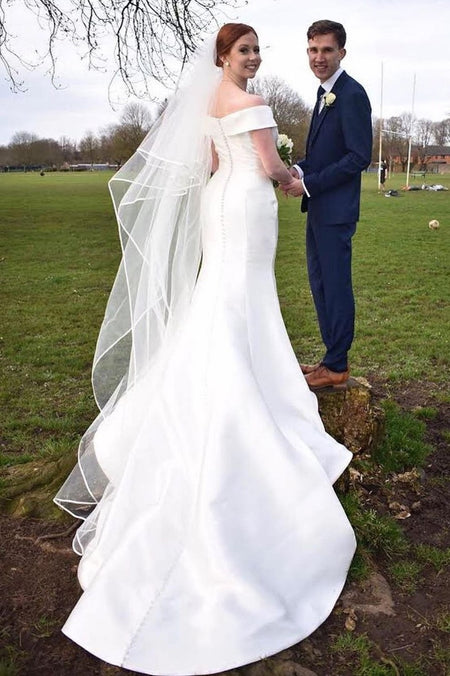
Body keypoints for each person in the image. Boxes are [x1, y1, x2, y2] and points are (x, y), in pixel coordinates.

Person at [55, 23, 356, 675]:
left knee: (220, 298)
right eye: (245, 50)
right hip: (249, 207)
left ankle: (229, 380)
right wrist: (290, 175)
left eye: (256, 51)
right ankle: (252, 393)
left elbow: (212, 164)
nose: (253, 58)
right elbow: (271, 167)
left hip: (219, 204)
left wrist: (252, 166)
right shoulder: (254, 106)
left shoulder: (208, 103)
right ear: (224, 56)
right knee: (241, 298)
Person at [285, 20, 372, 390]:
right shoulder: (323, 94)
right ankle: (330, 357)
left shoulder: (350, 94)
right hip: (319, 208)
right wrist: (297, 167)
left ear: (342, 53)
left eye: (326, 50)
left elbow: (358, 156)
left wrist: (309, 184)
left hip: (336, 212)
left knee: (335, 286)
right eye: (313, 50)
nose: (318, 57)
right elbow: (322, 154)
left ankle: (337, 364)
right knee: (320, 283)